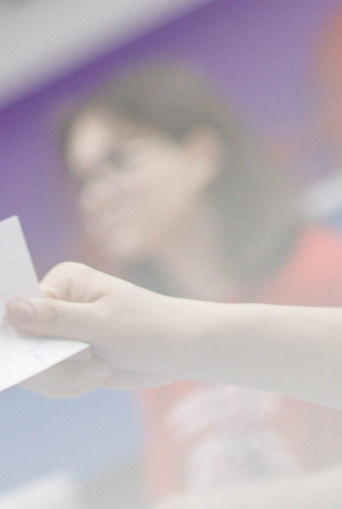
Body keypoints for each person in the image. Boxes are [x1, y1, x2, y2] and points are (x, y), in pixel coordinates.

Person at [40, 63, 342, 501]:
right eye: (83, 181)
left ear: (201, 155)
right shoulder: (143, 334)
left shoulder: (323, 272)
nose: (95, 197)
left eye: (118, 162)